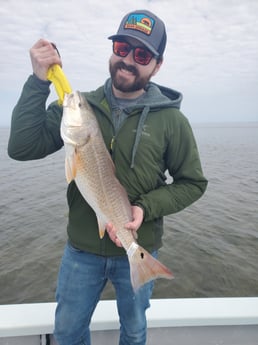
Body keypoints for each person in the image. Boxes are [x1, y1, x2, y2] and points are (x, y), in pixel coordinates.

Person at [8, 9, 208, 345]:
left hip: (138, 246)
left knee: (134, 331)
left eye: (142, 54)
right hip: (81, 250)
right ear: (112, 51)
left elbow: (193, 184)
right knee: (68, 333)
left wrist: (146, 207)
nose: (129, 59)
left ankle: (137, 262)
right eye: (122, 48)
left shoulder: (172, 122)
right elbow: (21, 146)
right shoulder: (78, 106)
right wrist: (39, 81)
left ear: (157, 65)